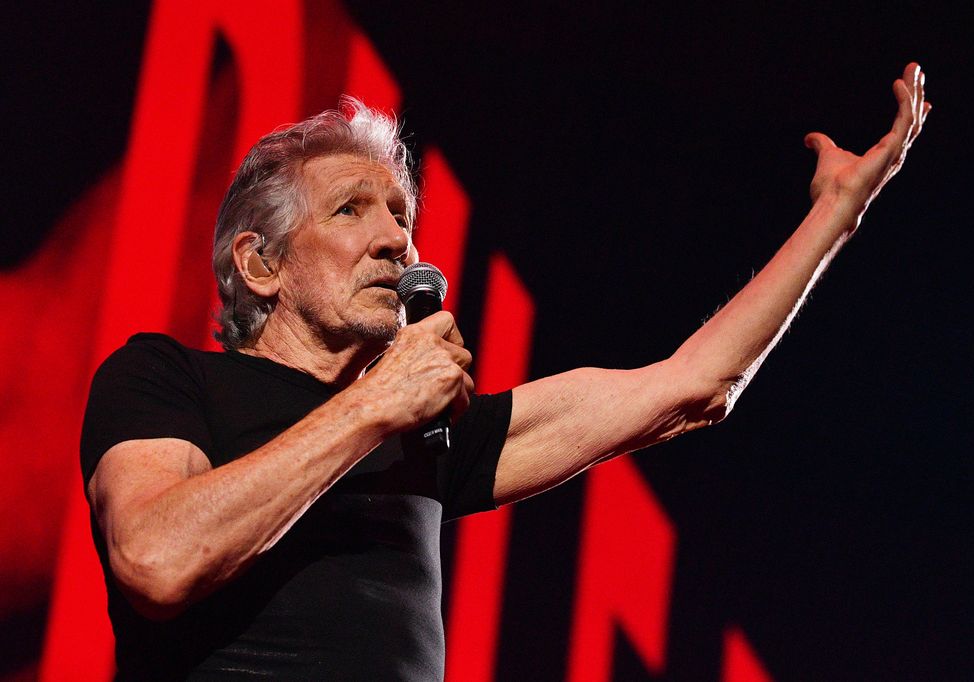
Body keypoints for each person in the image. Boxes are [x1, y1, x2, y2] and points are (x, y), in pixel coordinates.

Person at [81, 63, 929, 679]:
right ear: (260, 266)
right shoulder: (165, 379)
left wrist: (835, 217)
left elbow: (694, 386)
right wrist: (374, 408)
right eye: (352, 210)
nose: (396, 241)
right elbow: (158, 558)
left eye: (402, 217)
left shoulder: (430, 435)